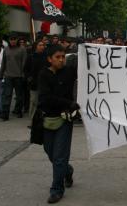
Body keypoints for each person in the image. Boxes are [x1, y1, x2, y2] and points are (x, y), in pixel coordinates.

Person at [38, 45, 79, 203]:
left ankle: (56, 189)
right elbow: (45, 98)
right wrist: (69, 102)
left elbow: (87, 69)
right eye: (58, 57)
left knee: (60, 156)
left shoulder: (69, 71)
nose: (61, 59)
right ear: (49, 59)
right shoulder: (43, 75)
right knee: (50, 153)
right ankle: (67, 171)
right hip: (48, 119)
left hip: (64, 120)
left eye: (63, 56)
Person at [0, 34, 27, 120]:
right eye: (11, 39)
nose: (13, 41)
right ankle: (5, 114)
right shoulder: (6, 49)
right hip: (8, 76)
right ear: (9, 40)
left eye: (14, 39)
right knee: (7, 95)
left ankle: (18, 111)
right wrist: (1, 74)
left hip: (18, 76)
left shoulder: (22, 49)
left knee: (19, 96)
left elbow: (24, 63)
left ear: (17, 40)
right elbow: (4, 62)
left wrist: (23, 74)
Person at [25, 40, 48, 124]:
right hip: (34, 84)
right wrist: (29, 78)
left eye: (43, 45)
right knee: (34, 102)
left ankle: (44, 119)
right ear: (36, 46)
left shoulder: (46, 57)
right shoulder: (30, 57)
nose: (42, 47)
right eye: (40, 45)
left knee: (44, 102)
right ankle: (32, 121)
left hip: (44, 83)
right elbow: (26, 69)